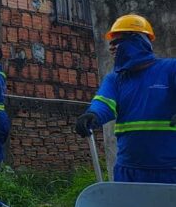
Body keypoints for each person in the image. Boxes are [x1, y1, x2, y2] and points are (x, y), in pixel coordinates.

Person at [75, 14, 176, 183]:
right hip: (128, 171)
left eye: (117, 42)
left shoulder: (170, 69)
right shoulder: (115, 79)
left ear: (137, 40)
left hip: (170, 170)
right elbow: (104, 103)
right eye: (110, 44)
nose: (112, 48)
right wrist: (92, 115)